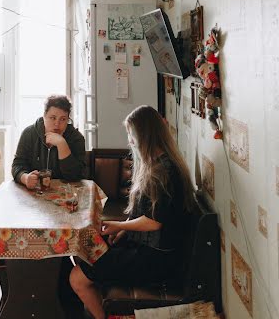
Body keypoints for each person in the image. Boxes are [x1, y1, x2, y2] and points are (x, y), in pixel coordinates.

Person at [69, 105, 196, 319]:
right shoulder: (159, 164)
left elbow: (153, 222)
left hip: (157, 261)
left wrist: (119, 225)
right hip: (149, 250)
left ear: (145, 135)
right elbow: (144, 213)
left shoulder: (164, 173)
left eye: (131, 134)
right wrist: (124, 232)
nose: (129, 140)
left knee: (77, 278)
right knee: (87, 252)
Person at [11, 94, 86, 188]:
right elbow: (17, 165)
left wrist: (62, 144)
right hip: (35, 192)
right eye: (53, 118)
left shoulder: (76, 138)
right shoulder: (28, 133)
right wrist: (25, 178)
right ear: (44, 116)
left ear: (68, 119)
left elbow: (76, 176)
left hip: (66, 194)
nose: (57, 124)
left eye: (63, 119)